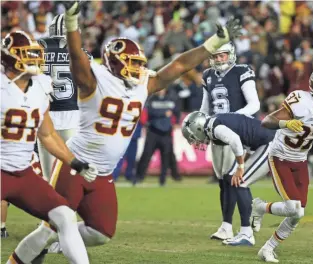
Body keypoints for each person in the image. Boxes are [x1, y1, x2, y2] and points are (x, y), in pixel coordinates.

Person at [17, 2, 242, 262]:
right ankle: (21, 257)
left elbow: (179, 66)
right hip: (75, 165)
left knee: (101, 232)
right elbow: (77, 57)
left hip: (103, 173)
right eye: (132, 62)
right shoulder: (95, 79)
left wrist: (212, 44)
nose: (137, 68)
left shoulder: (143, 83)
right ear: (114, 61)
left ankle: (51, 242)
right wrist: (72, 24)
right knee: (53, 225)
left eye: (138, 63)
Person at [1, 30, 98, 264]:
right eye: (28, 54)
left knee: (65, 216)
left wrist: (74, 162)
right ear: (9, 57)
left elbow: (47, 134)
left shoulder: (41, 85)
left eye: (36, 54)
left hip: (23, 174)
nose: (34, 59)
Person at [252, 66, 313, 262]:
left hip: (300, 160)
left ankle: (268, 248)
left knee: (298, 213)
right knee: (294, 209)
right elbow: (267, 121)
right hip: (280, 156)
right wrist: (285, 123)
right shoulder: (301, 100)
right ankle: (260, 207)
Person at [199, 42, 261, 245]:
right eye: (216, 56)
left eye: (222, 56)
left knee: (235, 179)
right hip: (217, 132)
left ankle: (245, 228)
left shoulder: (242, 71)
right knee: (223, 181)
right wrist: (200, 125)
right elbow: (205, 107)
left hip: (238, 131)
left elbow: (254, 104)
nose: (219, 59)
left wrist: (231, 119)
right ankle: (226, 226)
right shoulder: (208, 74)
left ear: (231, 54)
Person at [182, 111, 275, 246]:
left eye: (194, 136)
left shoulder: (215, 127)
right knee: (230, 179)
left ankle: (247, 233)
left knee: (240, 182)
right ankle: (233, 228)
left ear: (198, 127)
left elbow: (235, 140)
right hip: (261, 143)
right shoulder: (214, 122)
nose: (196, 140)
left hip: (270, 143)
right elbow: (248, 137)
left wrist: (240, 167)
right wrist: (242, 164)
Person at [36, 14, 92, 181]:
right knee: (75, 175)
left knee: (48, 177)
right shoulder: (81, 53)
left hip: (45, 114)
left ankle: (51, 206)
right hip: (73, 115)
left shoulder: (39, 47)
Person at [136, 88, 181, 186]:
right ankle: (139, 176)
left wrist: (177, 122)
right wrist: (163, 113)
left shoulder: (171, 99)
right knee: (146, 154)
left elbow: (177, 111)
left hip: (166, 133)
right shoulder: (152, 99)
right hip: (153, 131)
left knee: (166, 156)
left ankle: (163, 179)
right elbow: (150, 112)